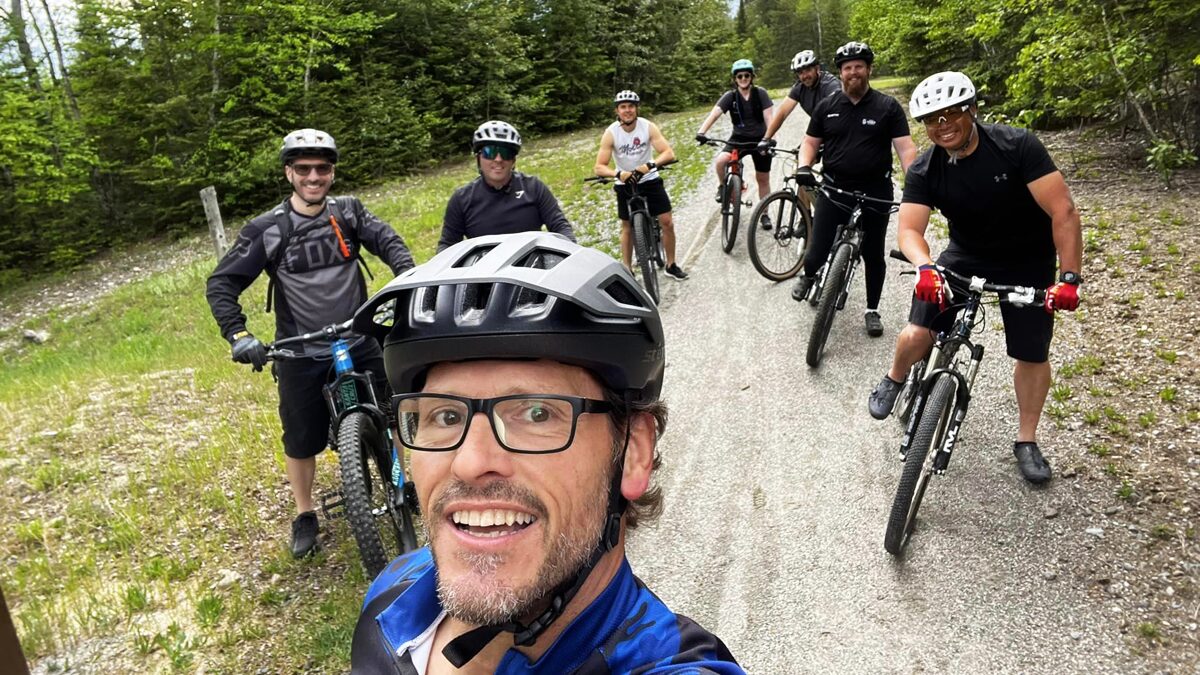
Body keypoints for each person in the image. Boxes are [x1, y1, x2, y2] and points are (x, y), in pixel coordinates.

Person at [348, 232, 744, 673]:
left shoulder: (666, 663)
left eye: (536, 414)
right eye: (445, 416)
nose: (472, 461)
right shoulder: (395, 587)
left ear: (633, 453)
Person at [206, 128, 415, 558]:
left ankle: (401, 481)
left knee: (392, 414)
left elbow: (391, 244)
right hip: (300, 349)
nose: (313, 176)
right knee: (300, 439)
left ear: (332, 172)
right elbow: (222, 283)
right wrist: (240, 335)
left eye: (322, 168)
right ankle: (305, 514)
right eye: (303, 169)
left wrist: (408, 282)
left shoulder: (350, 213)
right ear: (289, 173)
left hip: (358, 336)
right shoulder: (268, 229)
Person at [867, 71, 1083, 484]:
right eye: (932, 119)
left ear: (972, 110)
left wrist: (1069, 278)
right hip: (965, 256)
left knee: (1032, 353)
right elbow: (910, 230)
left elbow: (1064, 212)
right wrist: (926, 266)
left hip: (1027, 261)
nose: (942, 125)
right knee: (918, 331)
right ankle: (894, 379)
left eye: (951, 114)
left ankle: (1026, 440)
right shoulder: (926, 167)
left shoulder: (1016, 146)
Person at [789, 41, 917, 339]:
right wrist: (804, 166)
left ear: (869, 70)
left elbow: (906, 150)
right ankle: (809, 277)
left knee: (874, 254)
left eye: (859, 66)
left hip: (876, 191)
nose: (853, 72)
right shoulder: (827, 106)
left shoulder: (887, 107)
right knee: (817, 249)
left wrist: (916, 187)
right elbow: (810, 143)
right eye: (848, 68)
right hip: (835, 188)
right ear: (841, 73)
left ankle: (872, 310)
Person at [438, 120, 575, 251]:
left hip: (531, 266)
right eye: (490, 152)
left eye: (505, 153)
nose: (498, 159)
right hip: (485, 270)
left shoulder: (533, 187)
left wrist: (570, 253)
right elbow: (447, 245)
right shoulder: (462, 199)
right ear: (478, 158)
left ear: (513, 160)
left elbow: (561, 227)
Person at [594, 90, 687, 280]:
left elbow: (668, 153)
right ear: (617, 111)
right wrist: (618, 173)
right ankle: (627, 269)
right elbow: (599, 167)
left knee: (667, 222)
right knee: (626, 226)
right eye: (623, 107)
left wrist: (649, 166)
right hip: (625, 183)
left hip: (649, 179)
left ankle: (671, 264)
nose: (627, 110)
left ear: (637, 108)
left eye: (631, 106)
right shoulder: (611, 133)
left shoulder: (647, 127)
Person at [758, 50, 842, 213]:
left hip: (839, 134)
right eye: (800, 73)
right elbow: (782, 112)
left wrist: (815, 141)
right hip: (820, 135)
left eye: (808, 70)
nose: (805, 76)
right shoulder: (799, 88)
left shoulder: (830, 85)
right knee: (801, 172)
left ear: (817, 68)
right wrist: (766, 138)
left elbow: (835, 118)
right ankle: (807, 218)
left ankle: (838, 211)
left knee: (836, 175)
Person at [695, 59, 775, 226]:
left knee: (763, 178)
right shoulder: (730, 96)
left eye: (747, 75)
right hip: (738, 139)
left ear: (752, 77)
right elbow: (715, 113)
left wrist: (769, 138)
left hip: (760, 140)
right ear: (735, 79)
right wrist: (702, 132)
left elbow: (769, 118)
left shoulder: (761, 93)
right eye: (740, 76)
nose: (743, 78)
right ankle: (723, 187)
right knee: (720, 161)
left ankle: (764, 214)